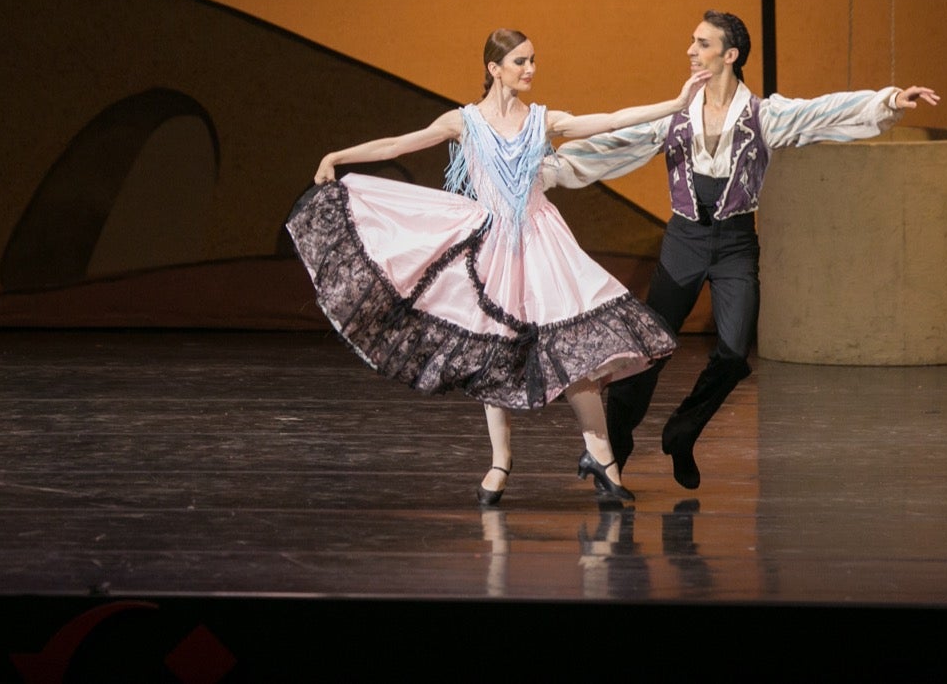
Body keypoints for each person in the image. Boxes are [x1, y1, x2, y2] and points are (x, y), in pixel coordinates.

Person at [286, 28, 711, 506]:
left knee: (571, 348)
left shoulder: (541, 121)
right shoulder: (464, 122)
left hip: (542, 240)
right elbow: (399, 145)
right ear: (494, 68)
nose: (530, 69)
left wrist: (675, 103)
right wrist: (337, 156)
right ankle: (500, 462)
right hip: (490, 246)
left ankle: (601, 456)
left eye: (533, 61)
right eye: (520, 62)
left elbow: (609, 120)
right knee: (494, 353)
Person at [549, 10, 939, 489]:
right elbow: (613, 144)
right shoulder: (674, 116)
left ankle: (681, 433)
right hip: (684, 241)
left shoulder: (763, 116)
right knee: (647, 351)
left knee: (734, 353)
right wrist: (546, 169)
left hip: (735, 244)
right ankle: (616, 455)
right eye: (692, 42)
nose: (691, 51)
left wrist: (889, 101)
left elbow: (822, 111)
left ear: (730, 55)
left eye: (703, 43)